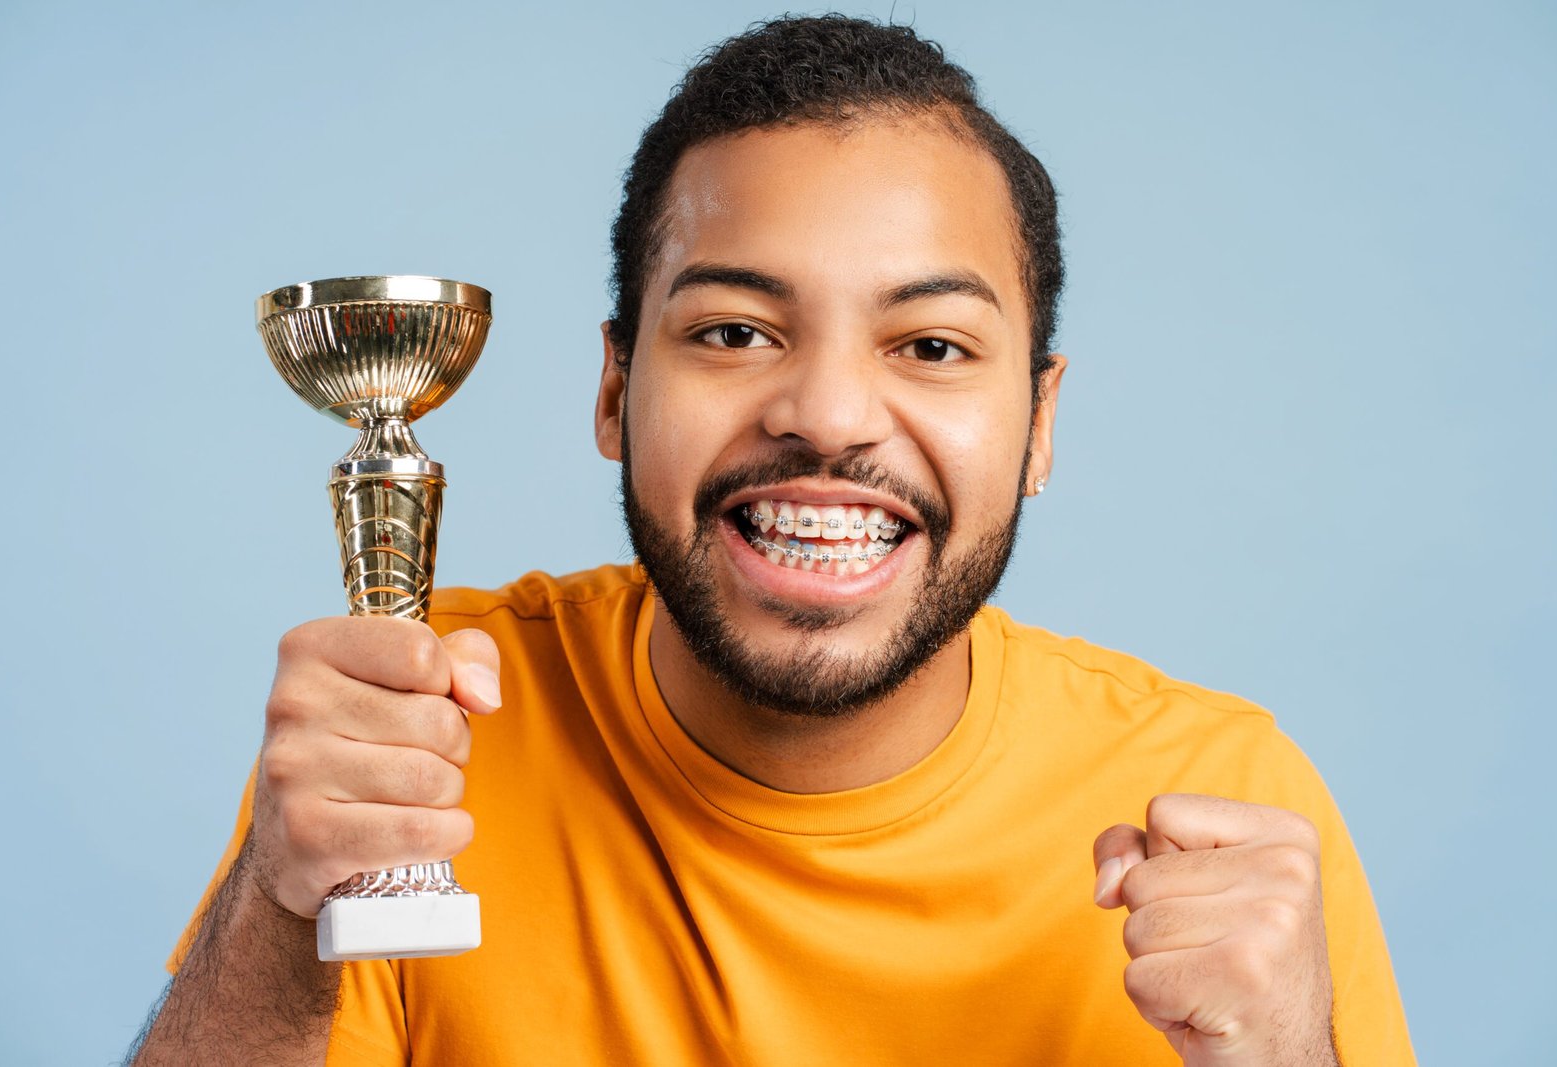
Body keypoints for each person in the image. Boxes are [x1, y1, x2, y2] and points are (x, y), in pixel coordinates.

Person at [133, 15, 1414, 1066]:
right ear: (611, 390)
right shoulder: (418, 726)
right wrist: (279, 913)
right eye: (736, 330)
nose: (830, 416)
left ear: (1039, 423)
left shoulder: (1226, 798)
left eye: (930, 346)